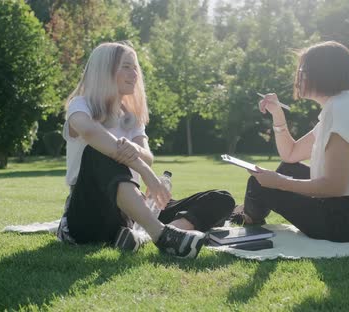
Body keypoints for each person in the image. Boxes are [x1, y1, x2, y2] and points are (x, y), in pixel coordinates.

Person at [56, 42, 235, 258]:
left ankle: (148, 235)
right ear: (105, 69)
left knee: (222, 199)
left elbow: (147, 155)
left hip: (129, 215)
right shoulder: (81, 105)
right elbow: (91, 133)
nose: (134, 74)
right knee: (99, 151)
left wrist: (135, 152)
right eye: (126, 67)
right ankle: (161, 235)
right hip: (87, 217)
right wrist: (146, 173)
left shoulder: (130, 117)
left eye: (135, 68)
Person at [230, 41, 349, 242]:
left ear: (323, 74)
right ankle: (248, 212)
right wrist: (277, 114)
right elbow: (290, 154)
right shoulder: (340, 108)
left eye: (302, 71)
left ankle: (247, 216)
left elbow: (334, 187)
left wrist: (280, 183)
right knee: (287, 168)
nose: (297, 78)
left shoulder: (344, 114)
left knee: (259, 184)